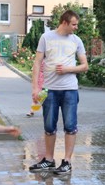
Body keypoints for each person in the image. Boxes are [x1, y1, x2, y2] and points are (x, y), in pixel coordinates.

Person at [29, 10, 88, 176]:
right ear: (64, 22)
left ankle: (67, 162)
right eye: (74, 24)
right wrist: (35, 88)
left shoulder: (77, 41)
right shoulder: (46, 38)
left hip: (70, 89)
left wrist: (68, 69)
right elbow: (37, 63)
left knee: (70, 126)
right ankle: (48, 160)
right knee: (49, 126)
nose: (76, 28)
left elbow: (84, 66)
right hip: (49, 90)